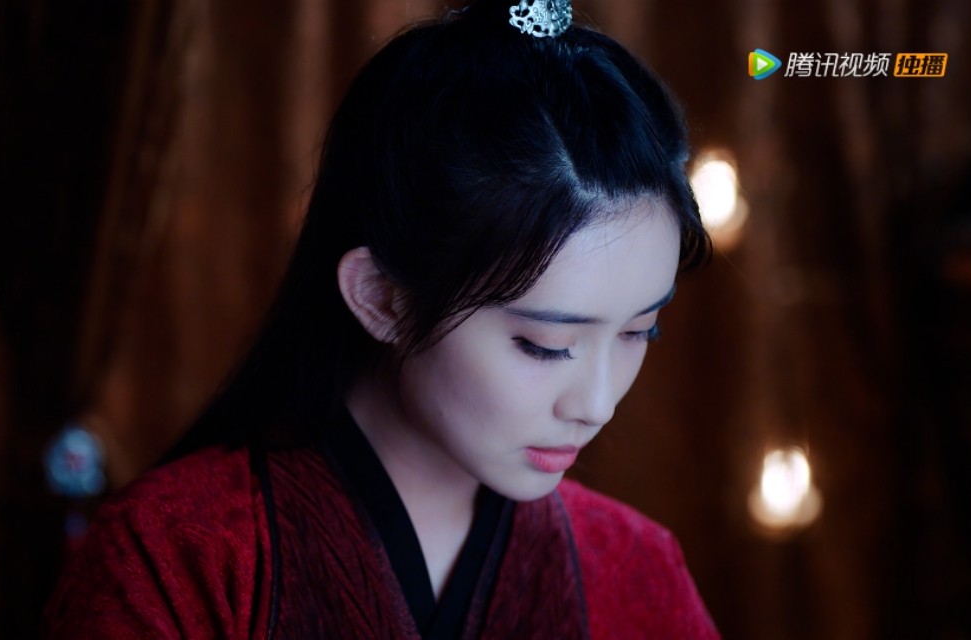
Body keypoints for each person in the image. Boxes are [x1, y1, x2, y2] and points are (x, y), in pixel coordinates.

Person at [44, 0, 720, 637]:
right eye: (545, 344)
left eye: (639, 332)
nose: (597, 404)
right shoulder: (174, 557)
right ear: (381, 297)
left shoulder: (638, 569)